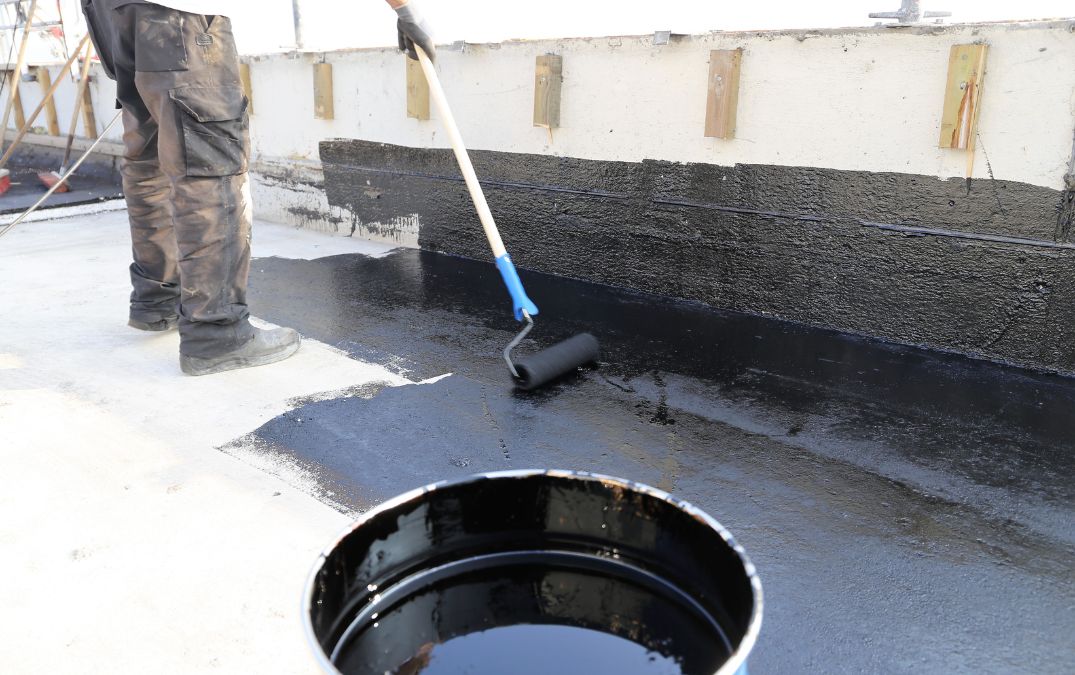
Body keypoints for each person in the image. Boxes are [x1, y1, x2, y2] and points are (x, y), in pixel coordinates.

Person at [79, 0, 435, 375]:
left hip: (113, 11)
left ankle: (158, 298)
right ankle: (216, 334)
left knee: (150, 155)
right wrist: (404, 9)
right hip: (177, 17)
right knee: (208, 168)